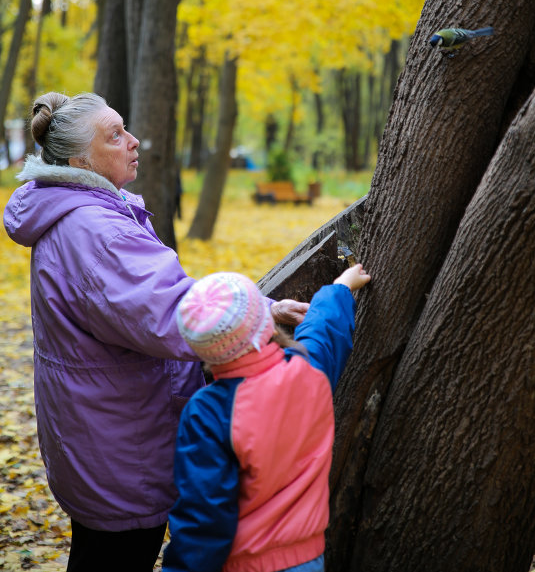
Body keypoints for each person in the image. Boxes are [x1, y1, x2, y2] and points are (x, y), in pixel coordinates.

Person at [3, 92, 308, 572]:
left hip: (97, 431)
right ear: (80, 159)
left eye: (124, 128)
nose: (133, 140)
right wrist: (262, 312)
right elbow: (173, 311)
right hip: (122, 449)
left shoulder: (78, 211)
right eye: (115, 135)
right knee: (115, 558)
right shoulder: (99, 232)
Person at [162, 263, 371, 572]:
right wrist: (339, 288)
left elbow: (203, 515)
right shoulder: (307, 371)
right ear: (268, 324)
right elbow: (324, 331)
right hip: (307, 559)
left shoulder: (207, 412)